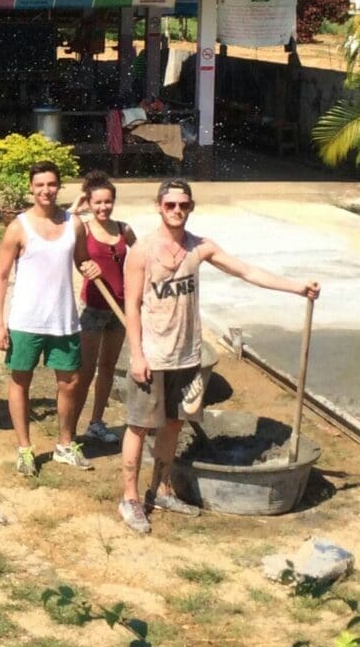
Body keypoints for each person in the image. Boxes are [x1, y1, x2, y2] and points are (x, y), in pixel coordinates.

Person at [118, 179, 319, 535]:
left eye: (183, 205)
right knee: (139, 426)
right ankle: (130, 499)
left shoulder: (201, 248)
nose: (177, 211)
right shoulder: (142, 252)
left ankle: (161, 489)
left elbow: (247, 272)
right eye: (170, 205)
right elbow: (131, 307)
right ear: (158, 206)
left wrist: (296, 287)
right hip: (153, 355)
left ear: (191, 207)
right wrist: (136, 355)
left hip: (187, 356)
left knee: (175, 424)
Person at [0, 161, 87, 477]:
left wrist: (93, 268)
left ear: (59, 186)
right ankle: (24, 449)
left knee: (70, 382)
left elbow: (83, 261)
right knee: (21, 380)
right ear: (32, 188)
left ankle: (64, 444)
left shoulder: (75, 225)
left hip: (63, 319)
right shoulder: (18, 227)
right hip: (26, 321)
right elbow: (1, 276)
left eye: (51, 184)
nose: (46, 190)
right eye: (40, 185)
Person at [73, 172, 137, 446]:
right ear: (89, 203)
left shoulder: (124, 229)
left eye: (107, 202)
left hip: (119, 308)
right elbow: (62, 230)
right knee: (85, 371)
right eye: (97, 202)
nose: (103, 207)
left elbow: (144, 255)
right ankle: (69, 430)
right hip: (93, 307)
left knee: (108, 367)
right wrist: (77, 206)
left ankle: (96, 423)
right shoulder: (81, 228)